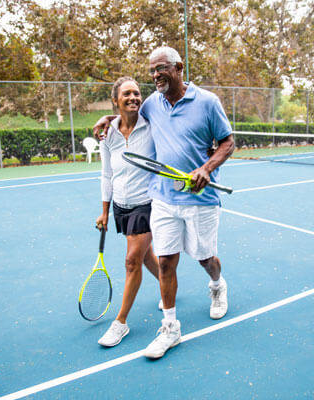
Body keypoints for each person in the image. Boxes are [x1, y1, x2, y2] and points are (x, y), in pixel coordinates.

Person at [93, 47, 235, 359]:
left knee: (204, 258)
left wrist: (206, 169)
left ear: (179, 67)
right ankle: (170, 327)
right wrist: (110, 117)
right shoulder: (152, 105)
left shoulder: (208, 102)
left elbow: (228, 141)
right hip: (163, 199)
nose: (156, 75)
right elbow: (128, 113)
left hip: (201, 200)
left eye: (161, 69)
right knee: (167, 261)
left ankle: (217, 284)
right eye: (152, 70)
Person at [95, 76, 161, 348]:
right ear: (116, 100)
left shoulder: (152, 124)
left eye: (136, 93)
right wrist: (104, 211)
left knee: (132, 261)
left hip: (148, 202)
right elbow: (106, 174)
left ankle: (120, 322)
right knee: (145, 257)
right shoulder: (107, 133)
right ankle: (167, 282)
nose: (133, 97)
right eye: (126, 94)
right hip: (121, 205)